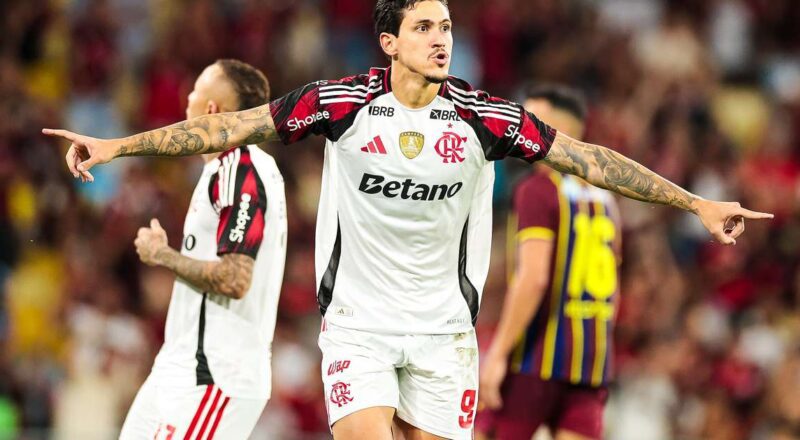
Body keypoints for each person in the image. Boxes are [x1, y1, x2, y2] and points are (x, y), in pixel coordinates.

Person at [44, 1, 772, 438]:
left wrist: (694, 202)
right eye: (424, 26)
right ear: (388, 42)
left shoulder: (482, 117)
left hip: (443, 333)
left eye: (447, 25)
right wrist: (119, 147)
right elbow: (225, 129)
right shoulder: (340, 103)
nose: (441, 37)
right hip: (358, 327)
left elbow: (587, 158)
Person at [118, 59, 287, 439]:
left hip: (215, 375)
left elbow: (235, 278)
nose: (186, 100)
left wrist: (162, 255)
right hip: (179, 366)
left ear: (211, 110)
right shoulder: (223, 171)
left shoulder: (241, 171)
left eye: (194, 91)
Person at [476, 85, 618, 440]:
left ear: (563, 133)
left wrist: (498, 354)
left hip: (536, 358)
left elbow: (534, 278)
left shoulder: (537, 190)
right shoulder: (604, 198)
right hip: (591, 361)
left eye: (533, 120)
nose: (521, 129)